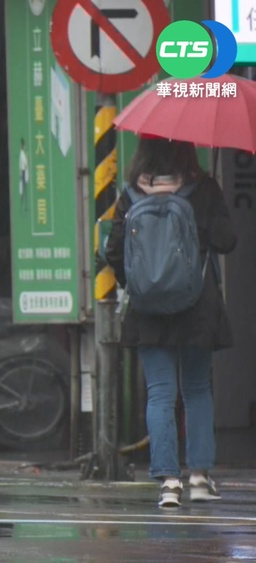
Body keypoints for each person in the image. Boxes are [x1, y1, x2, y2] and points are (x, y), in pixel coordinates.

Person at [104, 138, 236, 509]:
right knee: (196, 390)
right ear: (188, 151)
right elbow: (228, 241)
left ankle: (169, 483)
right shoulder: (204, 188)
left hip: (149, 312)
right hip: (197, 307)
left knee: (160, 392)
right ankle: (198, 477)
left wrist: (142, 286)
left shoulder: (131, 195)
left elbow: (112, 250)